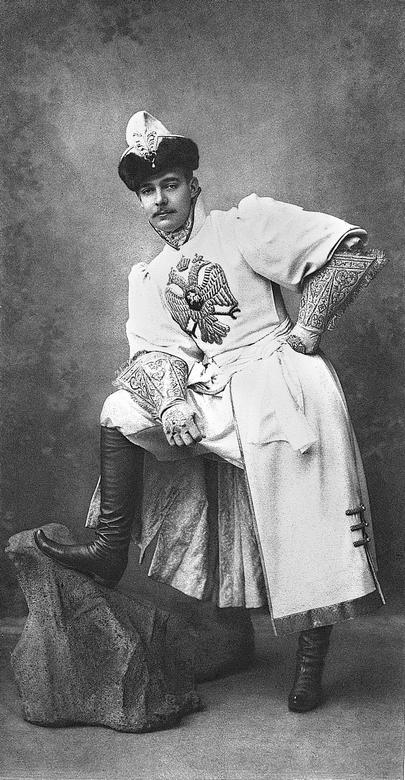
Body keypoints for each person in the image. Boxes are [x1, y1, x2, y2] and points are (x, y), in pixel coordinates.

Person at [35, 111, 386, 713]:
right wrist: (172, 402)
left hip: (281, 381)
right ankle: (109, 548)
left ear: (193, 184)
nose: (159, 200)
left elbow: (349, 251)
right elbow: (154, 352)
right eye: (147, 190)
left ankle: (310, 662)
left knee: (307, 513)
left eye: (169, 184)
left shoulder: (242, 226)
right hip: (219, 387)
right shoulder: (150, 276)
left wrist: (307, 329)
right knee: (121, 410)